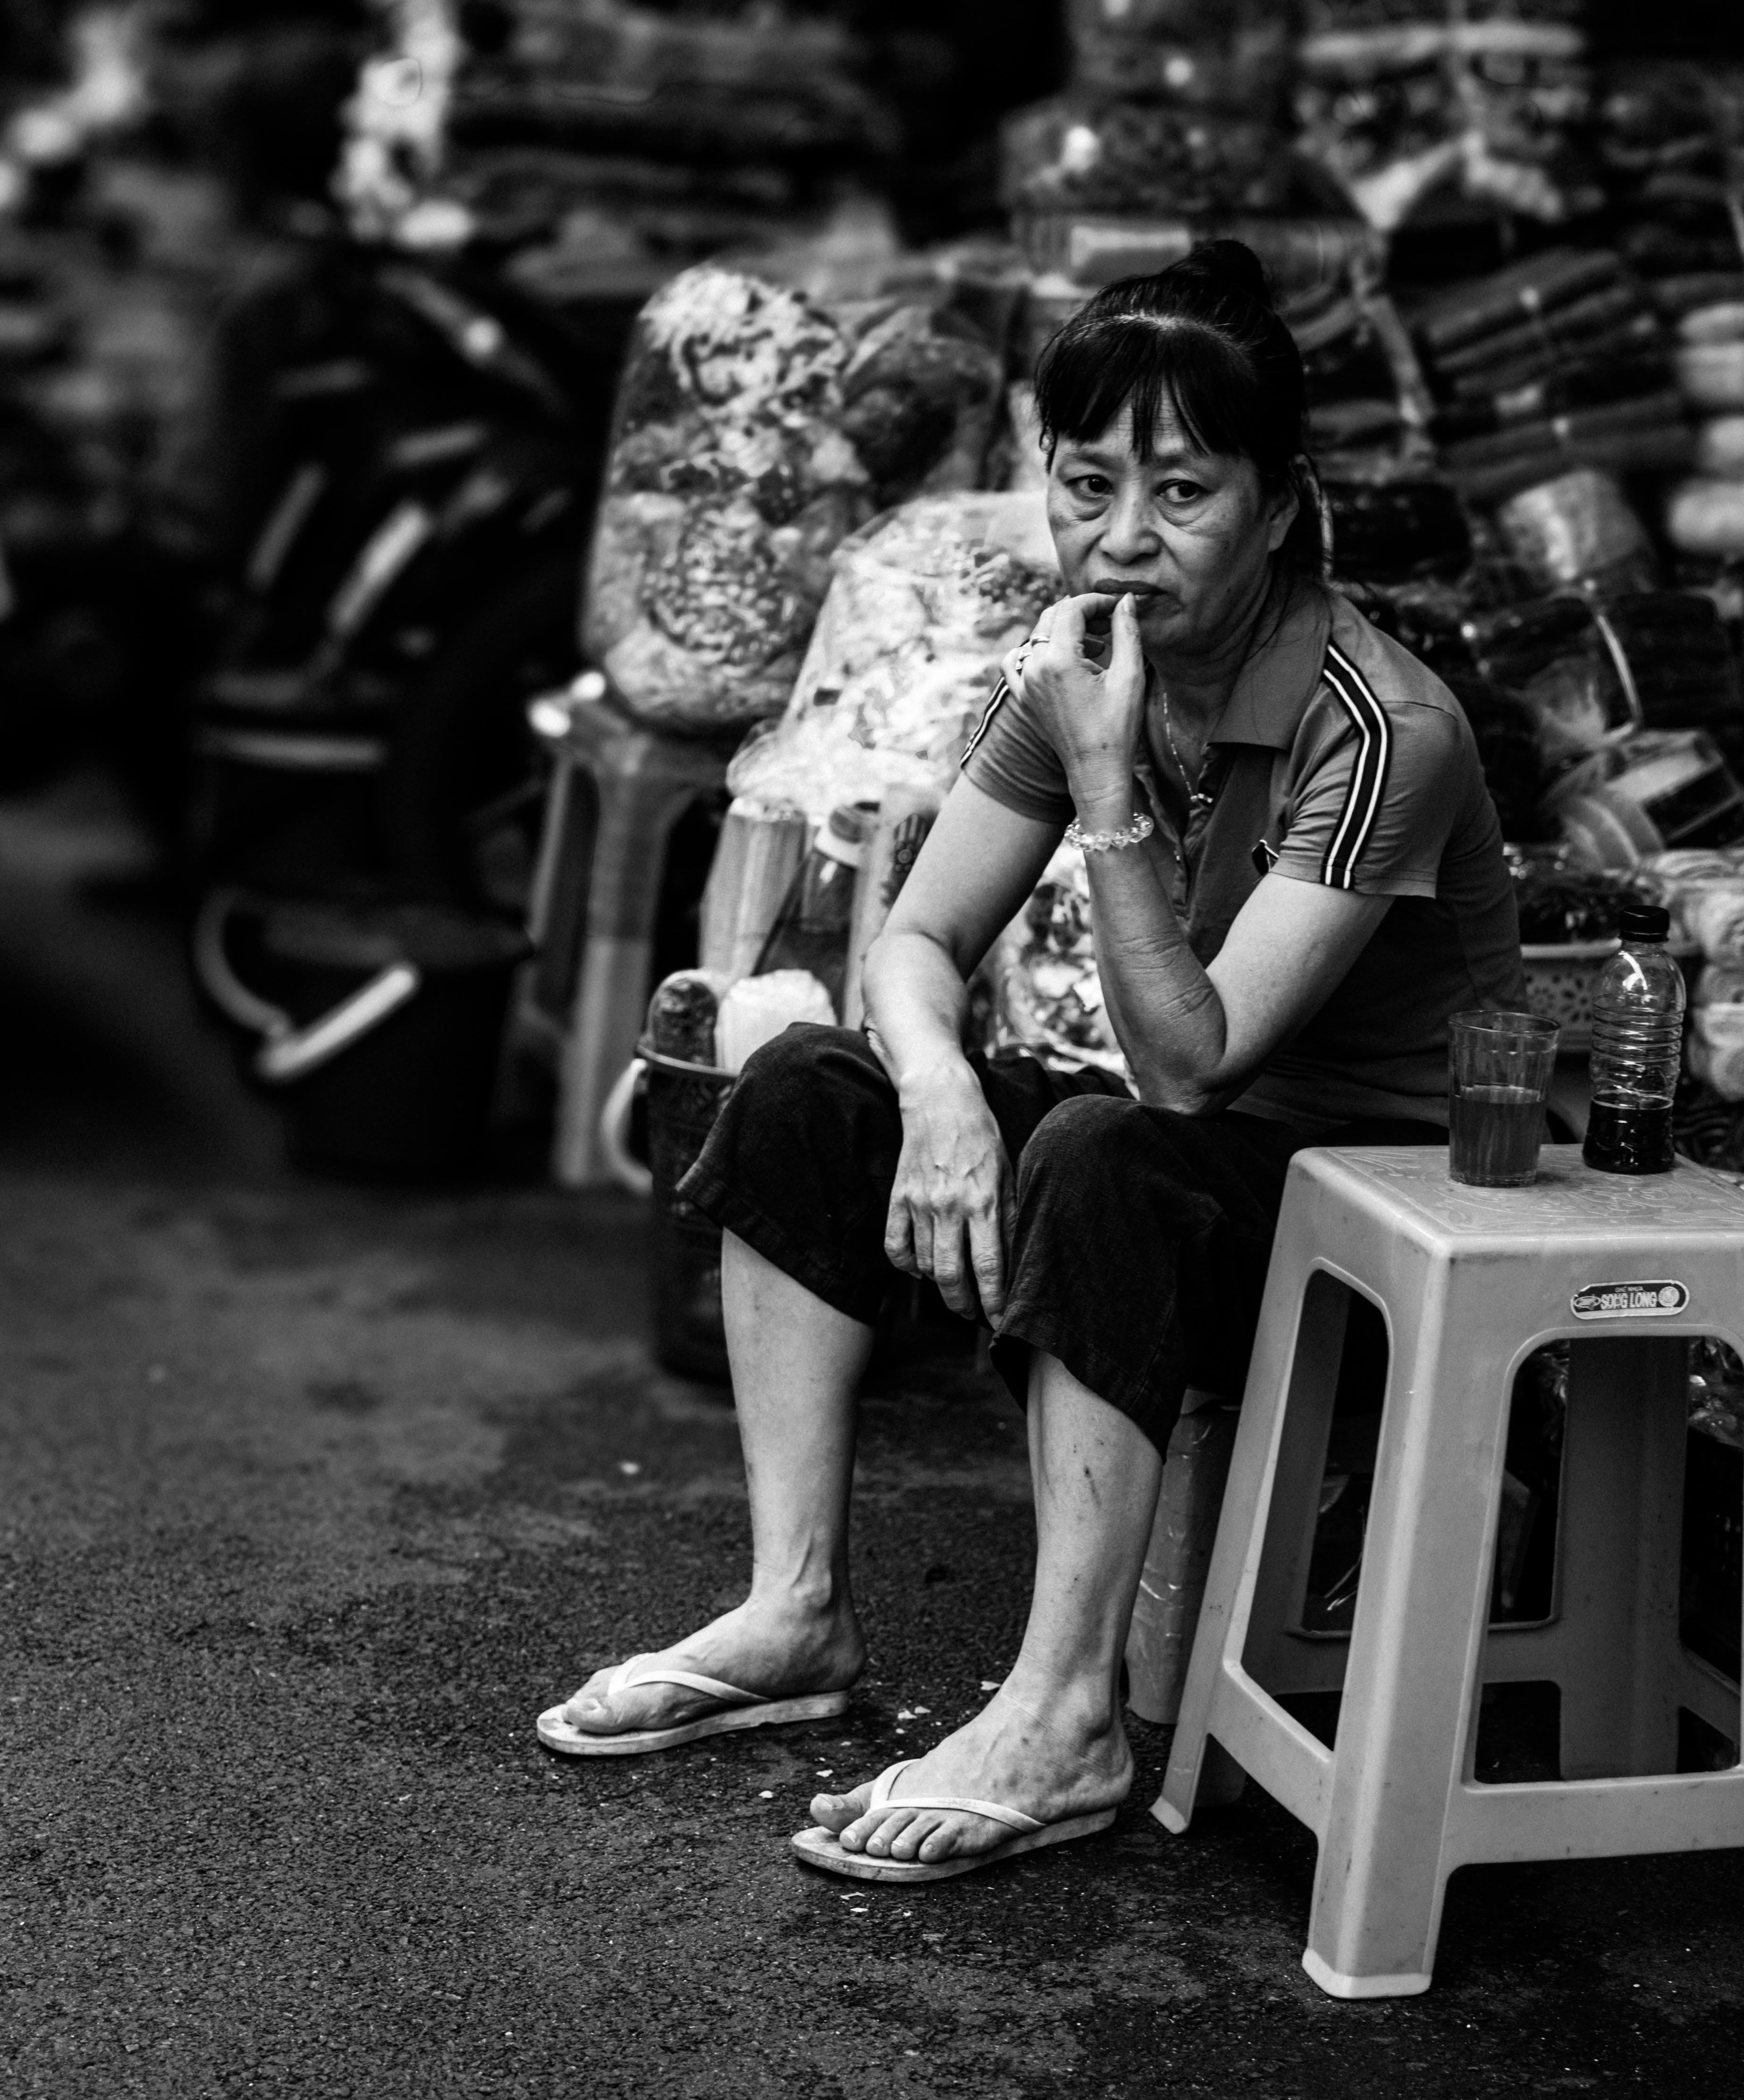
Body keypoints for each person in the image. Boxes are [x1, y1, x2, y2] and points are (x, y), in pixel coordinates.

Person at [533, 241, 1524, 1882]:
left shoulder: (1380, 726)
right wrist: (932, 1096)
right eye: (1086, 486)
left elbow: (1196, 1067)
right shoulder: (1080, 666)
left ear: (1282, 506)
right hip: (1199, 1159)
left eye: (1183, 492)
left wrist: (1108, 783)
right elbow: (911, 949)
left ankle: (1066, 1719)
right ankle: (797, 1609)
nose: (1121, 539)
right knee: (805, 1093)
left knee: (1102, 1147)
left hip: (1383, 1202)